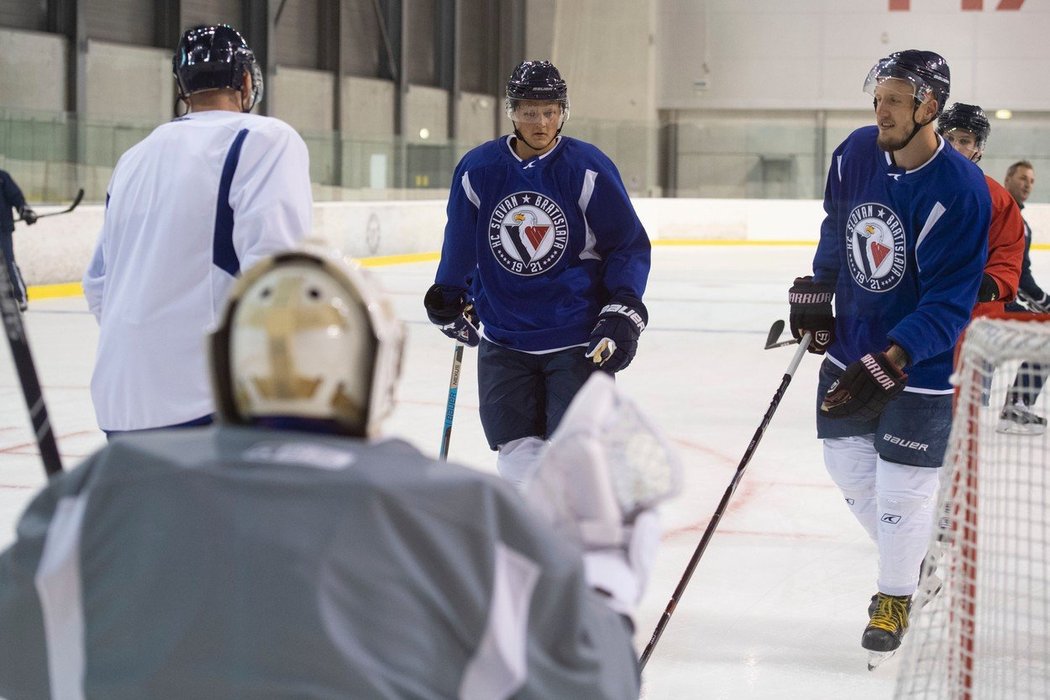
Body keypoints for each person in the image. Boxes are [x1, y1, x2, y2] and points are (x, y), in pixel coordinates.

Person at [0, 247, 677, 699]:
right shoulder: (467, 514)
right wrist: (605, 584)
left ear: (227, 370)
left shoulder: (98, 497)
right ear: (377, 373)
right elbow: (588, 686)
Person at [787, 49, 991, 667]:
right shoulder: (854, 153)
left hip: (921, 369)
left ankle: (894, 595)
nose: (882, 111)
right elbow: (836, 225)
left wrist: (897, 356)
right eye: (878, 98)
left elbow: (952, 299)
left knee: (902, 490)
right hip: (849, 346)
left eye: (895, 100)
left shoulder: (962, 190)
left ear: (930, 106)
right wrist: (820, 291)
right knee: (847, 468)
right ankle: (920, 559)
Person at [423, 60, 651, 488]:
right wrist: (450, 292)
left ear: (563, 111)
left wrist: (623, 305)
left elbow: (627, 243)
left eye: (550, 111)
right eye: (529, 111)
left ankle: (578, 545)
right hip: (503, 337)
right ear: (512, 111)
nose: (541, 122)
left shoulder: (586, 166)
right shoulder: (479, 168)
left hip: (577, 337)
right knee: (515, 456)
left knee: (578, 459)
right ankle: (533, 545)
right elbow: (461, 239)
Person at [82, 24, 312, 438]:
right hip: (206, 401)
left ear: (183, 86)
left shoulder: (133, 158)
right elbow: (279, 272)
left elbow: (98, 284)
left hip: (121, 400)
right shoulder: (264, 138)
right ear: (246, 80)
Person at [936, 103, 1024, 316]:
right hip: (917, 313)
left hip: (974, 318)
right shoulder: (914, 185)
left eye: (965, 140)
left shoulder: (997, 199)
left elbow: (1007, 260)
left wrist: (985, 286)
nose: (955, 147)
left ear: (979, 148)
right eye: (949, 139)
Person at [998, 159, 1049, 434]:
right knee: (1045, 333)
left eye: (1031, 180)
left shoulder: (1017, 219)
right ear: (1007, 179)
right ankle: (1017, 405)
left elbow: (1018, 275)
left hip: (998, 300)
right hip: (991, 305)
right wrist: (1045, 303)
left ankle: (1018, 402)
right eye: (1022, 179)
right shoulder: (1007, 215)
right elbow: (1021, 279)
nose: (1028, 184)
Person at [0, 168, 38, 312]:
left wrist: (24, 210)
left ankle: (20, 296)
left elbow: (16, 197)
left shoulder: (2, 177)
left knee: (8, 263)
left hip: (2, 229)